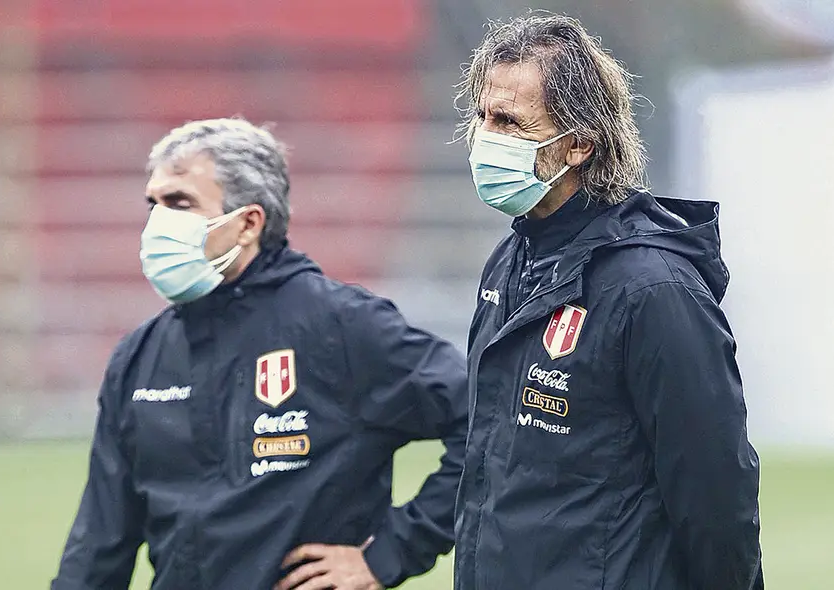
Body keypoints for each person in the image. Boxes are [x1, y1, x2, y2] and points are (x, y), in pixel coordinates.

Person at [51, 118, 467, 590]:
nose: (158, 224)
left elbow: (484, 424)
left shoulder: (341, 326)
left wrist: (391, 553)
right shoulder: (138, 358)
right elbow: (100, 543)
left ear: (248, 222)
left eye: (180, 203)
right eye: (154, 205)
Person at [453, 13, 763, 590]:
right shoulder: (511, 259)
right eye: (481, 116)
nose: (484, 137)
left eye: (508, 122)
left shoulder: (653, 288)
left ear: (577, 145)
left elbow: (715, 487)